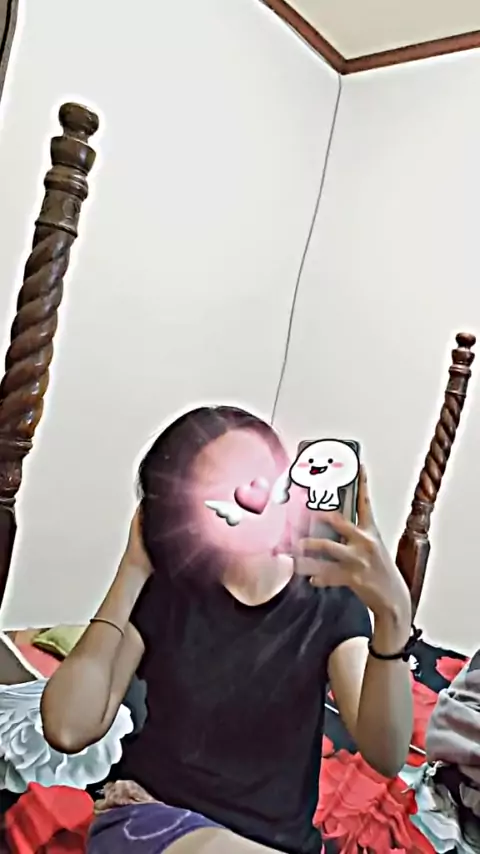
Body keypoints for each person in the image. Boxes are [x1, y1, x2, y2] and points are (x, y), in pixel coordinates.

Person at [41, 406, 414, 854]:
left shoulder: (328, 599)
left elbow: (386, 754)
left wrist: (393, 617)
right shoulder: (171, 590)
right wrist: (134, 566)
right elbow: (68, 728)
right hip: (153, 818)